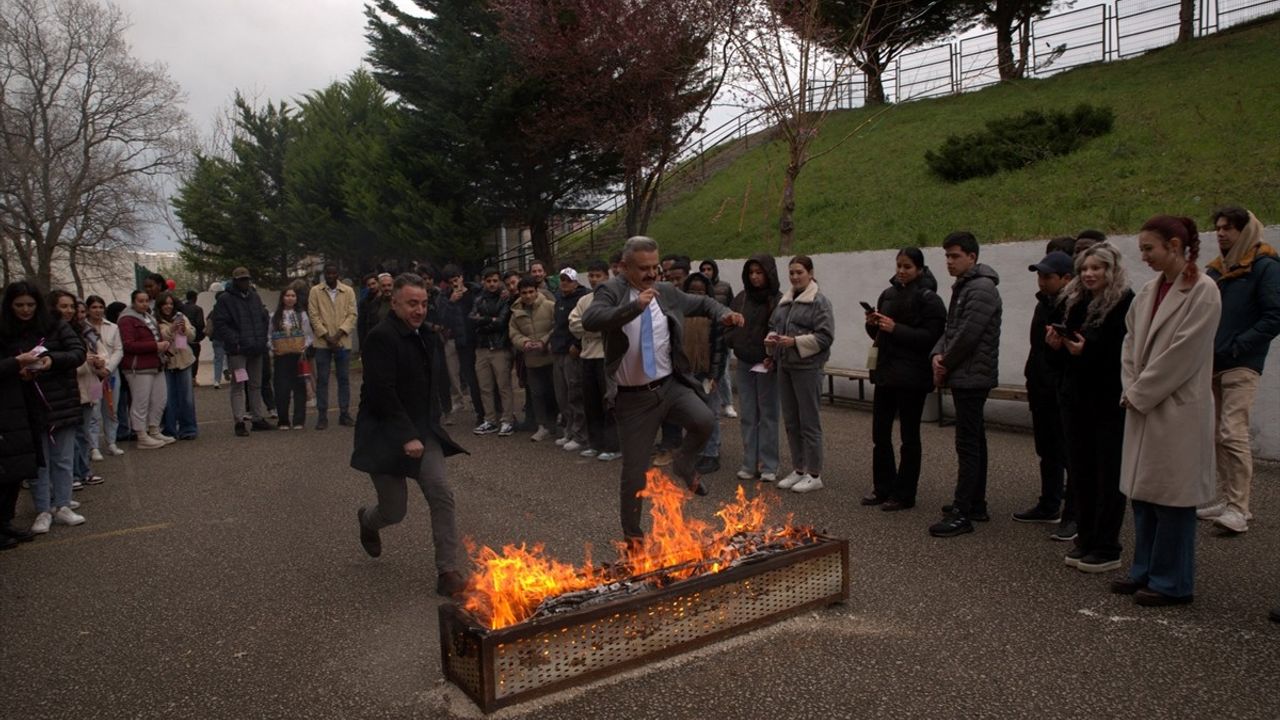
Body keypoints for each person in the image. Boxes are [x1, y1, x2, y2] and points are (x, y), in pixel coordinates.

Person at [583, 236, 744, 542]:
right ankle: (633, 538)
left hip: (670, 386)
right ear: (624, 266)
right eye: (643, 268)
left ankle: (684, 461)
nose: (651, 274)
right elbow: (592, 319)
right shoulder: (612, 290)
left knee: (705, 421)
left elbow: (703, 302)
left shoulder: (666, 291)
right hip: (634, 400)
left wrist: (725, 314)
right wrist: (633, 307)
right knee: (634, 476)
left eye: (655, 267)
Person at [1114, 215, 1220, 606]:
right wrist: (1131, 386)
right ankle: (1144, 569)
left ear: (1175, 246)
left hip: (1176, 408)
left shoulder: (1203, 291)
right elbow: (1129, 343)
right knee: (1144, 494)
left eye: (1149, 248)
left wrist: (1140, 391)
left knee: (1173, 498)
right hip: (1143, 402)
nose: (1143, 256)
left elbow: (1184, 355)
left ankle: (1172, 582)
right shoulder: (1148, 290)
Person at [351, 273, 468, 597]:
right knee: (394, 511)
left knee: (441, 493)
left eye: (424, 303)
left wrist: (430, 424)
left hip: (421, 431)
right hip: (384, 436)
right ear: (395, 302)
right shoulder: (380, 337)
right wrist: (406, 436)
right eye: (412, 303)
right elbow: (381, 392)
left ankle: (447, 571)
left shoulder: (426, 335)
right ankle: (368, 521)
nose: (419, 310)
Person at [1048, 244, 1134, 573]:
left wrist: (1087, 349)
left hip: (1108, 400)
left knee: (1108, 473)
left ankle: (1108, 544)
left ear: (1110, 271)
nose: (1089, 274)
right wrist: (1057, 347)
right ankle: (1085, 536)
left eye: (1096, 268)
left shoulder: (1125, 302)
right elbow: (1061, 360)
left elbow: (1122, 354)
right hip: (1076, 398)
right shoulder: (1075, 301)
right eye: (1085, 268)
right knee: (1081, 471)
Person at [1199, 207, 1280, 534]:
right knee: (1218, 435)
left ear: (1245, 231)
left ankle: (1239, 507)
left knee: (1233, 432)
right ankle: (1229, 498)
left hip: (1242, 364)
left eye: (1229, 228)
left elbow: (1275, 315)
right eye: (1218, 227)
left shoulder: (1265, 266)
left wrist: (1239, 345)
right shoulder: (1218, 270)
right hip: (1214, 363)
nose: (1221, 233)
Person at [929, 231, 1002, 538]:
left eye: (955, 256)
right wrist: (937, 353)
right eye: (947, 256)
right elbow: (952, 328)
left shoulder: (981, 288)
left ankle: (964, 512)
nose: (949, 261)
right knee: (973, 439)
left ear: (972, 257)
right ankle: (975, 502)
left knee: (968, 443)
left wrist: (944, 361)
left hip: (973, 374)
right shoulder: (966, 286)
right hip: (967, 372)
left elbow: (968, 334)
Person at [861, 248, 946, 511]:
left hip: (912, 377)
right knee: (880, 435)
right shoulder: (888, 294)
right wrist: (873, 323)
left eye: (907, 266)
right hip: (886, 372)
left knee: (909, 437)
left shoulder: (930, 298)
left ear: (919, 269)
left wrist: (895, 328)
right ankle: (883, 487)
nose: (901, 270)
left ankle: (905, 493)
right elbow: (878, 335)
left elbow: (931, 337)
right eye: (899, 265)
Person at [1013, 250, 1074, 528]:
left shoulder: (1073, 305)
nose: (1041, 281)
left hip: (1061, 389)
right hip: (1040, 386)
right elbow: (1037, 346)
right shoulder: (1044, 304)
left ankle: (1074, 513)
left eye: (1047, 276)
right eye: (1039, 275)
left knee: (1068, 453)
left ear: (1066, 278)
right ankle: (1049, 504)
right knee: (1046, 449)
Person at [769, 256, 835, 494]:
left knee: (809, 422)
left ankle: (814, 473)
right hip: (784, 367)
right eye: (792, 273)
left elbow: (825, 337)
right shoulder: (784, 302)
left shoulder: (819, 302)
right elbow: (773, 326)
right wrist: (772, 341)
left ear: (810, 273)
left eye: (799, 272)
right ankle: (798, 468)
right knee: (791, 421)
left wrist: (794, 342)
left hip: (808, 369)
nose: (795, 277)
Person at [29, 287, 89, 532]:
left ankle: (62, 504)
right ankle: (43, 508)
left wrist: (52, 361)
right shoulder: (13, 329)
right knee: (39, 460)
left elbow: (78, 352)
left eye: (71, 307)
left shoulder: (60, 327)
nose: (26, 310)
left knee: (63, 457)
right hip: (32, 400)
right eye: (20, 305)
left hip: (62, 399)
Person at [725, 254, 782, 483]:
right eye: (751, 273)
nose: (755, 277)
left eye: (759, 272)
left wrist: (772, 356)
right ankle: (750, 462)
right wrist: (733, 340)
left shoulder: (778, 300)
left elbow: (779, 330)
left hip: (767, 364)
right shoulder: (741, 298)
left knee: (768, 415)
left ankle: (769, 465)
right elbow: (727, 322)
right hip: (745, 362)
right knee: (748, 414)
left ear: (769, 274)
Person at [0, 282, 48, 548]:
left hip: (24, 403)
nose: (26, 310)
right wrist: (15, 363)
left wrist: (29, 370)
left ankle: (6, 520)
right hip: (5, 407)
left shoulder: (34, 329)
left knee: (18, 468)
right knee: (5, 468)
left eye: (30, 305)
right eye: (20, 305)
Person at [210, 267, 272, 437]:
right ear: (235, 281)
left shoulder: (254, 297)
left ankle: (257, 418)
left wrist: (261, 340)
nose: (245, 282)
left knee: (255, 385)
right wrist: (235, 342)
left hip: (256, 348)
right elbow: (220, 324)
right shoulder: (225, 299)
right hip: (238, 351)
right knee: (238, 385)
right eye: (241, 279)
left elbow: (263, 319)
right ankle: (239, 421)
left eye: (247, 279)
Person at [569, 261, 620, 461]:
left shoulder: (615, 298)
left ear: (606, 277)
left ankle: (613, 445)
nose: (594, 279)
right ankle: (595, 443)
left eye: (598, 275)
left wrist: (591, 325)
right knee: (590, 403)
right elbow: (574, 324)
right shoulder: (584, 300)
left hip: (607, 357)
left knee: (609, 401)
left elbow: (614, 323)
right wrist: (595, 326)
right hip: (587, 356)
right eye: (591, 275)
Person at [682, 272, 728, 475]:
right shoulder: (679, 314)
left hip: (707, 373)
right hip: (685, 372)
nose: (696, 295)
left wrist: (714, 376)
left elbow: (721, 348)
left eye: (700, 291)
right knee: (688, 415)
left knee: (710, 415)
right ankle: (692, 453)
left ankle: (711, 453)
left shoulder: (715, 315)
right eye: (692, 291)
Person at [119, 289, 175, 450]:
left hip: (156, 363)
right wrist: (155, 346)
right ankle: (141, 435)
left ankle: (154, 429)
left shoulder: (149, 317)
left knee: (160, 399)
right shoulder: (126, 320)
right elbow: (128, 344)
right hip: (138, 367)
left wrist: (163, 345)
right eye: (140, 301)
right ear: (133, 302)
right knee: (140, 402)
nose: (144, 304)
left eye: (146, 301)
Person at [308, 262, 357, 429]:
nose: (330, 276)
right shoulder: (315, 291)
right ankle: (322, 416)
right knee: (322, 379)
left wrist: (338, 334)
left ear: (338, 274)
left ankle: (344, 413)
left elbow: (352, 315)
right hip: (323, 343)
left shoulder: (348, 291)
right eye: (327, 273)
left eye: (333, 273)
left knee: (343, 378)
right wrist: (327, 336)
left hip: (342, 341)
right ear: (324, 274)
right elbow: (313, 315)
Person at [469, 267, 516, 437]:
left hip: (500, 347)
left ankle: (507, 419)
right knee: (485, 386)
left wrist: (484, 322)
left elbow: (502, 322)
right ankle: (490, 419)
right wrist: (490, 320)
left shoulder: (504, 299)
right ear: (483, 281)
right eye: (488, 281)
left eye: (495, 280)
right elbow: (472, 319)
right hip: (482, 348)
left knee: (504, 386)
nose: (492, 284)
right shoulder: (479, 298)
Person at [509, 276, 556, 441]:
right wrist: (525, 342)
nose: (528, 296)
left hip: (550, 357)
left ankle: (556, 424)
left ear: (537, 291)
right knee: (537, 394)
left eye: (531, 292)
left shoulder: (550, 306)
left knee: (555, 391)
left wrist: (544, 341)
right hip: (531, 360)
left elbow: (557, 326)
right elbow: (513, 333)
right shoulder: (515, 313)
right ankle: (542, 426)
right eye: (524, 293)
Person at [551, 268, 590, 451]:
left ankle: (580, 434)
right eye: (562, 280)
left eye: (568, 280)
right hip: (558, 350)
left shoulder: (582, 299)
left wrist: (577, 344)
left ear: (576, 282)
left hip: (572, 351)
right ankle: (569, 429)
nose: (565, 283)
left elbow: (580, 326)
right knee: (562, 395)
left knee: (575, 393)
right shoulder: (558, 298)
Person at [444, 265, 485, 428]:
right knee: (472, 379)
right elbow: (444, 320)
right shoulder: (446, 297)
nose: (455, 283)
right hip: (463, 343)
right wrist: (451, 302)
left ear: (461, 277)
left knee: (487, 378)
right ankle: (481, 414)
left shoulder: (476, 291)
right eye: (451, 281)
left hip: (480, 341)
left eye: (456, 279)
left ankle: (495, 411)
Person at [85, 295, 124, 458]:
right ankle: (93, 446)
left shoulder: (113, 327)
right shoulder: (83, 328)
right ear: (88, 309)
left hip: (111, 375)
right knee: (94, 409)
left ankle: (112, 442)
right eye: (94, 307)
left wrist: (108, 369)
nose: (98, 310)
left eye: (100, 307)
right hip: (93, 376)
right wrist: (97, 367)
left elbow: (118, 350)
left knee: (111, 408)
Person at [155, 292, 198, 440]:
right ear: (160, 306)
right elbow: (159, 337)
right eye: (165, 304)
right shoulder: (155, 320)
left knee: (187, 397)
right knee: (168, 398)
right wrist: (171, 329)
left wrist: (184, 329)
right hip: (167, 362)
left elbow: (192, 336)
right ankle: (169, 429)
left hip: (184, 359)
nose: (168, 306)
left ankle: (189, 428)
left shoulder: (181, 316)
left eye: (171, 304)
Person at [270, 283, 313, 430]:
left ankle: (299, 420)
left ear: (296, 298)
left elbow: (308, 335)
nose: (290, 298)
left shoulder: (301, 315)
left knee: (299, 387)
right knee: (281, 388)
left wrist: (304, 346)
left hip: (298, 356)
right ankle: (283, 420)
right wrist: (272, 347)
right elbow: (268, 336)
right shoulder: (274, 316)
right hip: (281, 357)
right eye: (287, 295)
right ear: (282, 298)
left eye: (293, 296)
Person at [699, 259, 737, 419]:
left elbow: (731, 309)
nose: (706, 272)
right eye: (703, 269)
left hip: (722, 336)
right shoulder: (699, 288)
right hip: (703, 336)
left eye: (709, 269)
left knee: (724, 373)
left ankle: (728, 403)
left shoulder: (725, 287)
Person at [357, 272, 393, 351]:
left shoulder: (400, 302)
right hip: (379, 342)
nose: (386, 288)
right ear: (380, 287)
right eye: (383, 286)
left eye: (389, 285)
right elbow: (366, 325)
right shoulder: (373, 304)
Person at [181, 290, 206, 384]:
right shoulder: (198, 309)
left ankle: (184, 377)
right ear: (195, 298)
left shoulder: (181, 308)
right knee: (194, 358)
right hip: (194, 339)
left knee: (183, 357)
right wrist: (201, 335)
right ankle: (193, 378)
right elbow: (200, 324)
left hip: (182, 337)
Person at [209, 290, 227, 389]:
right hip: (228, 338)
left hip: (217, 337)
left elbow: (209, 322)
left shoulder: (213, 311)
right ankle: (237, 378)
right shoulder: (229, 309)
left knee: (218, 359)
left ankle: (217, 380)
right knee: (234, 358)